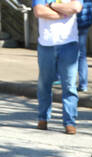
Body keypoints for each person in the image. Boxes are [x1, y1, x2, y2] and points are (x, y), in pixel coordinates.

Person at [33, 0, 81, 134]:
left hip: (69, 43)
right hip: (46, 44)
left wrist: (52, 6)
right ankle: (43, 118)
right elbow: (38, 11)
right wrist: (63, 13)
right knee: (44, 84)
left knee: (69, 85)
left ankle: (69, 122)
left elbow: (76, 7)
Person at [77, 0, 92, 91]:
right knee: (81, 54)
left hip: (73, 21)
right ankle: (83, 84)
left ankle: (58, 77)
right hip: (85, 20)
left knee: (61, 51)